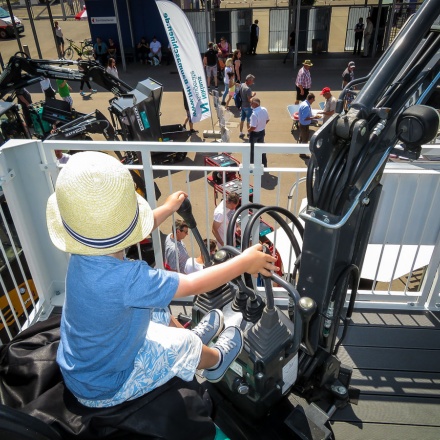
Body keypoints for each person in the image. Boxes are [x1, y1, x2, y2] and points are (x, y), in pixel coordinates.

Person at [46, 151, 276, 408]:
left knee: (154, 306)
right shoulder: (128, 280)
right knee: (182, 344)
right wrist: (243, 263)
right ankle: (215, 360)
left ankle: (196, 341)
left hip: (86, 367)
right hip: (107, 385)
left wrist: (167, 209)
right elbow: (193, 284)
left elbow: (127, 235)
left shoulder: (82, 256)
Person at [248, 97, 270, 167]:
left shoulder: (254, 114)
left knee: (252, 150)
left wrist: (248, 130)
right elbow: (267, 120)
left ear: (255, 104)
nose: (250, 104)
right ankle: (264, 164)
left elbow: (253, 127)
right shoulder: (264, 109)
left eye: (251, 103)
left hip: (254, 134)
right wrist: (262, 125)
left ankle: (252, 165)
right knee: (261, 148)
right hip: (262, 132)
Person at [239, 74, 256, 139]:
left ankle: (241, 132)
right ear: (249, 80)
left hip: (242, 106)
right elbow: (249, 100)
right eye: (252, 80)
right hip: (247, 107)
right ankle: (249, 133)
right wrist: (253, 95)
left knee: (242, 119)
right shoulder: (248, 89)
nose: (253, 82)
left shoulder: (242, 85)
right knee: (248, 120)